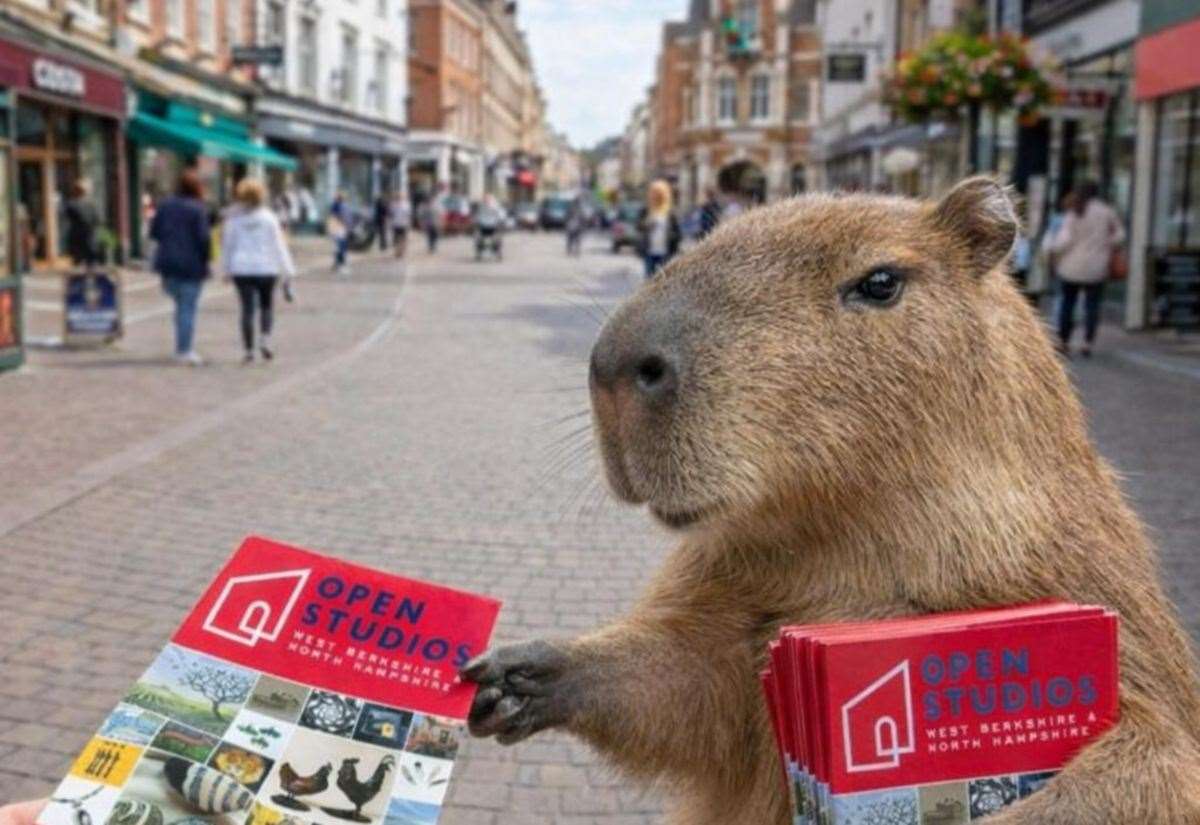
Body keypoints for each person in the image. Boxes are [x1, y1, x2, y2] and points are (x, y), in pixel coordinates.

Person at [221, 177, 296, 364]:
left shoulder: (234, 220)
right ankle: (265, 339)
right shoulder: (269, 218)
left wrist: (226, 270)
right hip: (266, 267)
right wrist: (288, 270)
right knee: (266, 306)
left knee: (247, 309)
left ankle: (248, 350)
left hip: (242, 268)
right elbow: (279, 245)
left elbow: (228, 246)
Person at [1048, 181, 1125, 358]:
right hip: (1096, 268)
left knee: (1068, 304)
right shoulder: (1107, 212)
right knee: (1092, 306)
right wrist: (1107, 244)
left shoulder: (1073, 211)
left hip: (1071, 267)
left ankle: (1064, 342)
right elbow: (1120, 235)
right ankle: (1087, 342)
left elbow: (1064, 241)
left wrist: (1052, 252)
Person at [150, 169, 210, 366]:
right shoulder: (197, 209)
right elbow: (203, 239)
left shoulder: (165, 205)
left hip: (167, 264)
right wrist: (206, 261)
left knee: (180, 307)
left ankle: (182, 344)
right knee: (186, 309)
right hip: (190, 265)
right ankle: (184, 350)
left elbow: (154, 232)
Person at [638, 179, 681, 279]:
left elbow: (678, 233)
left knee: (665, 281)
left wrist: (672, 240)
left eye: (658, 193)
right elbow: (639, 227)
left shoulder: (670, 213)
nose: (655, 196)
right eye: (653, 193)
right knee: (649, 281)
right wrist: (647, 224)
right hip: (649, 251)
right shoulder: (646, 210)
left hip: (665, 253)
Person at [63, 178, 102, 270]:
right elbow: (98, 220)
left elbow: (67, 217)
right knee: (91, 264)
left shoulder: (70, 204)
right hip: (89, 237)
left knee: (77, 264)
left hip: (77, 238)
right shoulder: (92, 204)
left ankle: (77, 283)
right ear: (85, 192)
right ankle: (92, 282)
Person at [328, 192, 350, 275]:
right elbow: (344, 217)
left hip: (338, 229)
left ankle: (337, 264)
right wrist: (346, 225)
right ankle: (340, 264)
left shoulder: (336, 206)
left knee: (338, 247)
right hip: (340, 229)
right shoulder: (340, 206)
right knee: (341, 247)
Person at [390, 191, 411, 259]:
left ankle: (400, 251)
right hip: (397, 224)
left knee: (402, 238)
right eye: (398, 197)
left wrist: (408, 223)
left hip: (402, 224)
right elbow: (391, 214)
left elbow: (408, 215)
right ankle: (398, 251)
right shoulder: (393, 204)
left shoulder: (406, 204)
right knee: (397, 239)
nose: (399, 198)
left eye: (400, 197)